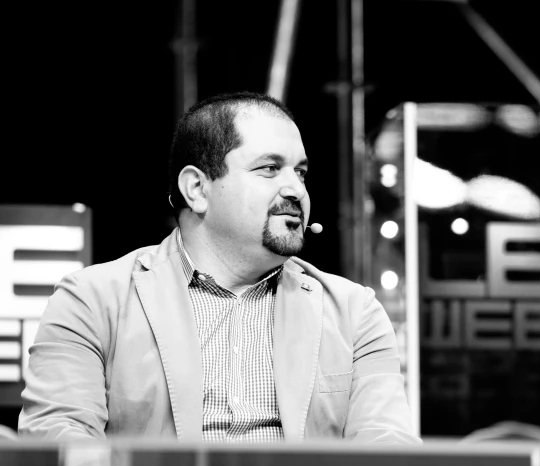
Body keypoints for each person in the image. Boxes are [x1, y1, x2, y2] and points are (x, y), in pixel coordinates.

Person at [18, 92, 418, 448]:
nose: (296, 189)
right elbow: (58, 446)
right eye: (269, 168)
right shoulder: (91, 300)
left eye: (300, 172)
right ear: (197, 189)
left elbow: (387, 453)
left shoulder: (354, 312)